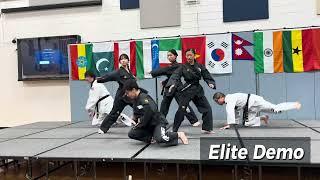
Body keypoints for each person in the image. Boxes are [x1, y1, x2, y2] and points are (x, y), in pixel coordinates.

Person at [124, 79, 189, 145]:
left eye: (127, 93)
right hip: (148, 125)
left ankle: (178, 134)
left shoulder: (144, 97)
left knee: (160, 138)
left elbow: (150, 112)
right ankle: (152, 138)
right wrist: (133, 119)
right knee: (132, 133)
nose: (127, 95)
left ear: (133, 89)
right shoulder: (135, 100)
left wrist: (140, 123)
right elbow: (137, 114)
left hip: (157, 123)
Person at [166, 48, 216, 133]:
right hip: (187, 89)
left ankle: (207, 129)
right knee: (181, 110)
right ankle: (174, 130)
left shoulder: (200, 66)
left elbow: (206, 75)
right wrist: (172, 84)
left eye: (190, 55)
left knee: (207, 108)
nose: (188, 57)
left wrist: (210, 82)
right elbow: (176, 76)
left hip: (197, 89)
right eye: (187, 55)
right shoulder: (183, 67)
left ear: (194, 55)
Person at [150, 49, 200, 127]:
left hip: (177, 88)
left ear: (176, 56)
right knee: (164, 106)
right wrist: (164, 82)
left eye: (171, 55)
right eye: (168, 56)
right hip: (168, 89)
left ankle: (194, 120)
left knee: (183, 104)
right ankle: (161, 121)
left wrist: (152, 72)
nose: (169, 57)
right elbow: (171, 76)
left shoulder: (178, 66)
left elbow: (165, 70)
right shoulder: (170, 66)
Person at [213, 92, 302, 130]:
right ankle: (263, 117)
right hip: (250, 107)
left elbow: (230, 111)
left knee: (276, 110)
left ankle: (294, 104)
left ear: (221, 97)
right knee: (247, 123)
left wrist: (229, 124)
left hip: (255, 101)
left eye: (217, 101)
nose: (217, 102)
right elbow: (236, 113)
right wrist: (233, 123)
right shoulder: (229, 101)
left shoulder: (230, 99)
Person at [96, 54, 137, 134]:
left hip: (131, 97)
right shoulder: (118, 72)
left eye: (125, 59)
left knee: (140, 108)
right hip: (121, 97)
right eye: (121, 59)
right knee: (114, 113)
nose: (123, 60)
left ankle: (145, 125)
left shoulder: (130, 72)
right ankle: (103, 128)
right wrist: (99, 80)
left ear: (128, 61)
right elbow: (109, 76)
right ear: (120, 62)